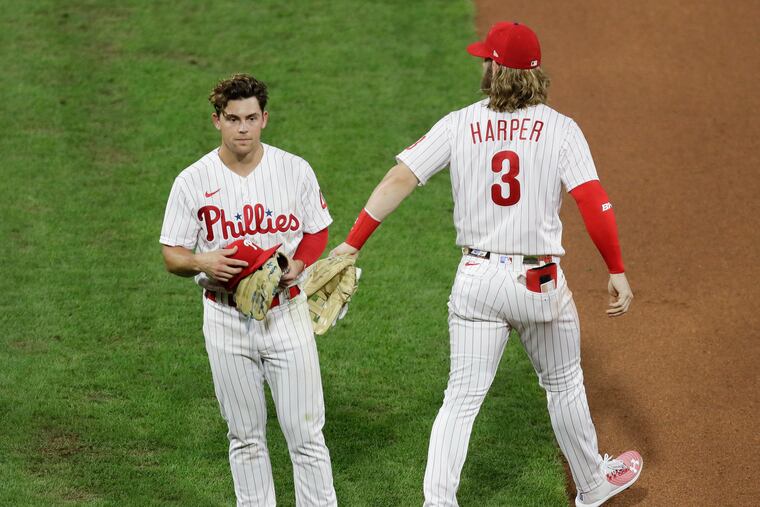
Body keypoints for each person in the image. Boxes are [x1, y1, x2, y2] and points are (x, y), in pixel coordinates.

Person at [331, 22, 642, 507]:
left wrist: (353, 243)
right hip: (539, 282)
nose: (481, 65)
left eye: (486, 59)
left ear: (498, 69)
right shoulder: (561, 129)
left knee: (461, 398)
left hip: (477, 280)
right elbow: (593, 201)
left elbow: (400, 178)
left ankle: (438, 501)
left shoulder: (459, 123)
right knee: (563, 385)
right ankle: (592, 485)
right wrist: (616, 268)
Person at [160, 73, 337, 506]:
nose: (243, 128)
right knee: (244, 437)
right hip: (225, 319)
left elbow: (316, 232)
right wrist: (203, 260)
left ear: (265, 119)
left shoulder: (294, 169)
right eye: (233, 118)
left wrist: (299, 264)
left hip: (286, 313)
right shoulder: (192, 180)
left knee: (306, 434)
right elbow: (172, 254)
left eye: (251, 118)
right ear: (217, 120)